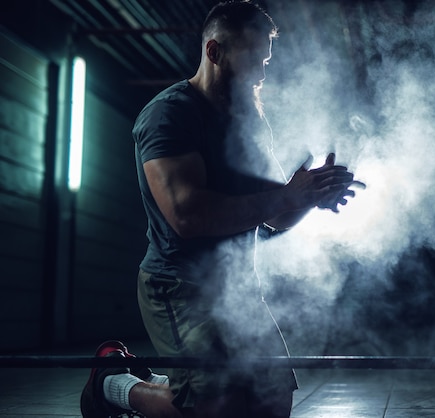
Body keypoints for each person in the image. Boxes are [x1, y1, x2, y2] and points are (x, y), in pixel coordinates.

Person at [80, 1, 361, 417]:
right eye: (253, 59)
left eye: (265, 60)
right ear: (214, 52)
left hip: (237, 289)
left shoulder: (249, 120)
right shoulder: (169, 115)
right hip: (177, 286)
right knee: (218, 406)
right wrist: (288, 194)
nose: (262, 73)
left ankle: (169, 384)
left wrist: (310, 196)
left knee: (272, 402)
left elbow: (274, 216)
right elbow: (187, 216)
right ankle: (112, 384)